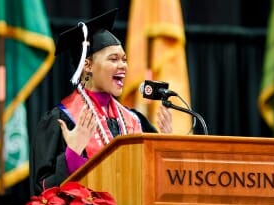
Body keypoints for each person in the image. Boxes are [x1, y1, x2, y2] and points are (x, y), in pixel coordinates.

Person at [29, 8, 173, 195]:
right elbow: (42, 192)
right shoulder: (61, 120)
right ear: (87, 65)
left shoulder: (135, 120)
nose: (122, 65)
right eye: (113, 59)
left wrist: (166, 145)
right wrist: (72, 154)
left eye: (124, 59)